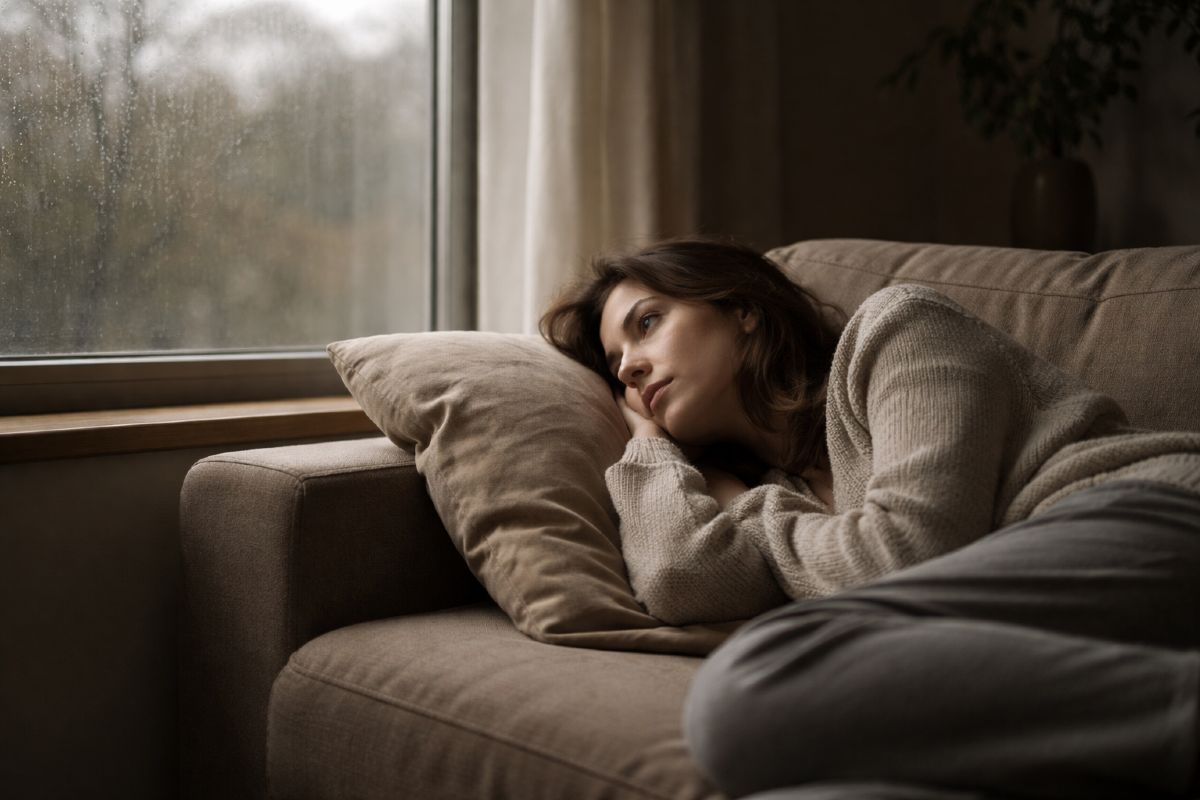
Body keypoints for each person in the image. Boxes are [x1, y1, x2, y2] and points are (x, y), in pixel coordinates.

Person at [539, 237, 1200, 800]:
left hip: (1149, 511)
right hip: (1055, 617)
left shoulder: (898, 332)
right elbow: (681, 579)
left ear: (740, 309)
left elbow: (905, 557)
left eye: (646, 323)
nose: (629, 366)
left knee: (746, 688)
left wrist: (751, 509)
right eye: (616, 365)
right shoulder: (771, 489)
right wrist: (651, 449)